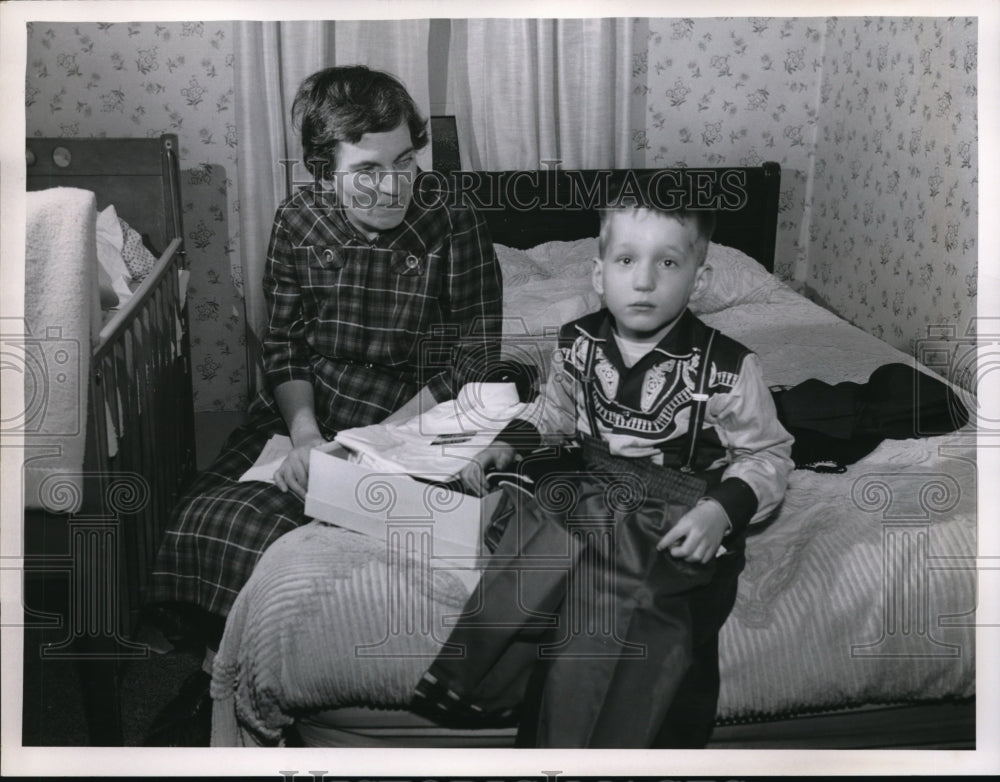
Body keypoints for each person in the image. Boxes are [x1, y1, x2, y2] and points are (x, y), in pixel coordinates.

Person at [145, 64, 502, 745]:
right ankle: (228, 670)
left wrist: (374, 445)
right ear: (322, 170)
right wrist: (307, 437)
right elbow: (283, 347)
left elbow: (474, 358)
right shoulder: (296, 221)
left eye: (405, 162)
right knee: (217, 517)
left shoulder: (454, 218)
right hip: (313, 410)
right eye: (368, 170)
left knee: (410, 538)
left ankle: (238, 684)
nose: (393, 185)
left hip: (416, 413)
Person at [414, 192, 793, 748]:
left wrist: (720, 511)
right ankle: (480, 684)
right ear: (597, 273)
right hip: (592, 483)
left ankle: (597, 739)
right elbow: (554, 413)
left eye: (667, 262)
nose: (644, 281)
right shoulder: (577, 344)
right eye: (625, 261)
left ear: (700, 279)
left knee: (623, 596)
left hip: (677, 501)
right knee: (535, 538)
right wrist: (507, 444)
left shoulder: (729, 367)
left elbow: (767, 454)